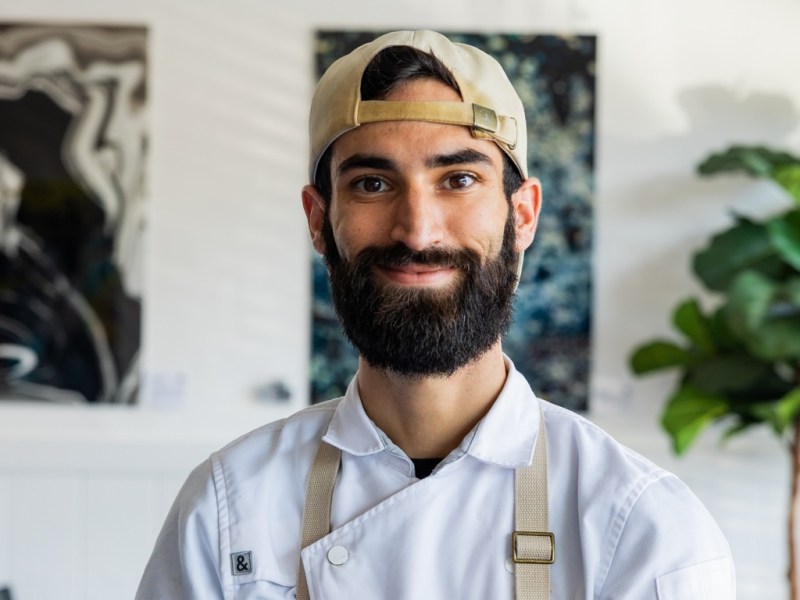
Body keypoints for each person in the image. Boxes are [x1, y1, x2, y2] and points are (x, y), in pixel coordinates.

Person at [135, 30, 735, 599]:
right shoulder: (227, 507)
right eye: (372, 183)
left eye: (459, 178)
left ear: (521, 216)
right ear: (319, 219)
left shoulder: (640, 525)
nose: (417, 231)